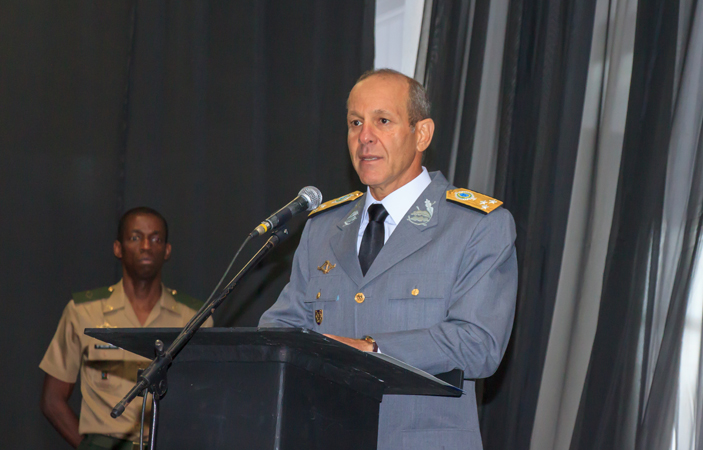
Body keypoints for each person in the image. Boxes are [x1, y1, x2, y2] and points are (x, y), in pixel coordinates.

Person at [259, 69, 517, 450]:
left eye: (382, 121)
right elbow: (280, 328)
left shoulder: (476, 226)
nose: (365, 136)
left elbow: (479, 345)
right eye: (355, 123)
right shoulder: (323, 228)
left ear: (422, 134)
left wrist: (374, 350)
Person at [40, 207, 213, 450]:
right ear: (118, 248)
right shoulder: (83, 312)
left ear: (167, 250)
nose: (146, 246)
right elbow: (52, 400)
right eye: (135, 237)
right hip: (104, 443)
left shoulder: (194, 318)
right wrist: (89, 448)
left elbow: (206, 400)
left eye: (155, 239)